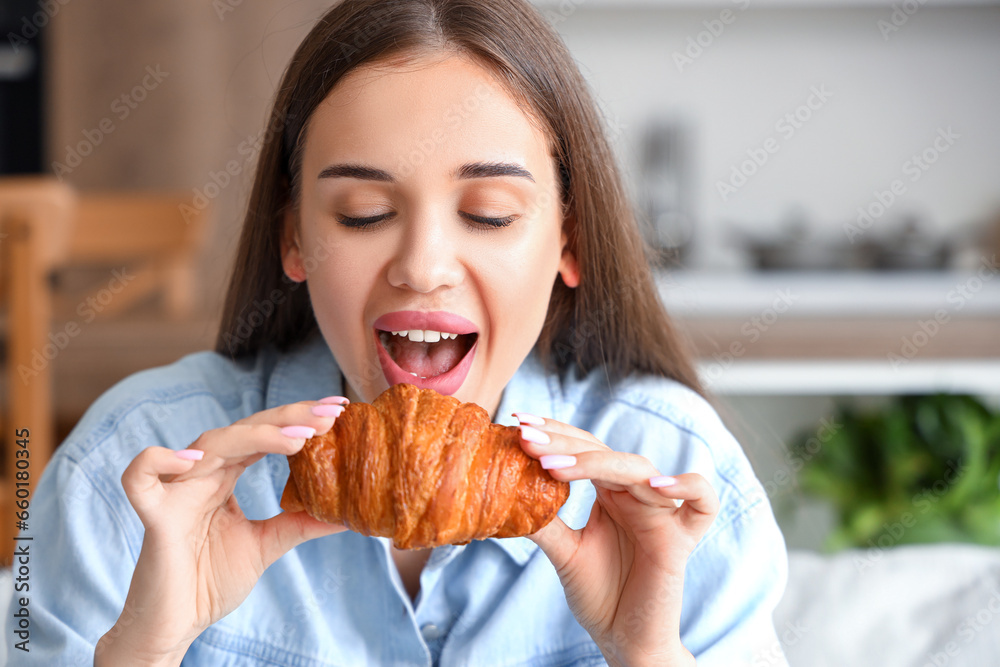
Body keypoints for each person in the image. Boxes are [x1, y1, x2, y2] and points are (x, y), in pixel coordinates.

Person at [11, 1, 789, 665]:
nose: (422, 267)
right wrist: (147, 644)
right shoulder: (131, 469)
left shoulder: (679, 474)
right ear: (293, 236)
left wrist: (647, 653)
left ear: (568, 242)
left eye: (488, 214)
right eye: (363, 214)